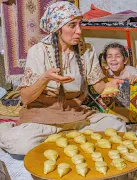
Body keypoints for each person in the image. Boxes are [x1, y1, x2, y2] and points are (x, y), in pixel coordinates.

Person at [0, 1, 126, 155]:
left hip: (76, 115)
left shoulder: (86, 50)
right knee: (21, 144)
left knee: (117, 125)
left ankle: (60, 139)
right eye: (72, 25)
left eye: (80, 24)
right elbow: (26, 99)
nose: (79, 31)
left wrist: (109, 86)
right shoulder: (38, 51)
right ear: (57, 28)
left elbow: (99, 86)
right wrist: (45, 78)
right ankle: (67, 138)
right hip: (43, 117)